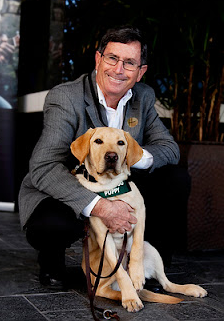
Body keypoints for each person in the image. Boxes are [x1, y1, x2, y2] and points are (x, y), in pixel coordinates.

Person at [19, 25, 190, 289]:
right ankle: (52, 264)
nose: (119, 69)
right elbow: (43, 166)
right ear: (98, 59)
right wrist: (100, 206)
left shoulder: (143, 97)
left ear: (140, 71)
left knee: (175, 178)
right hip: (71, 187)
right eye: (112, 58)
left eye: (129, 62)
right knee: (52, 223)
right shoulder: (66, 97)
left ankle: (147, 269)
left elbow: (168, 148)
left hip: (117, 181)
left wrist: (132, 157)